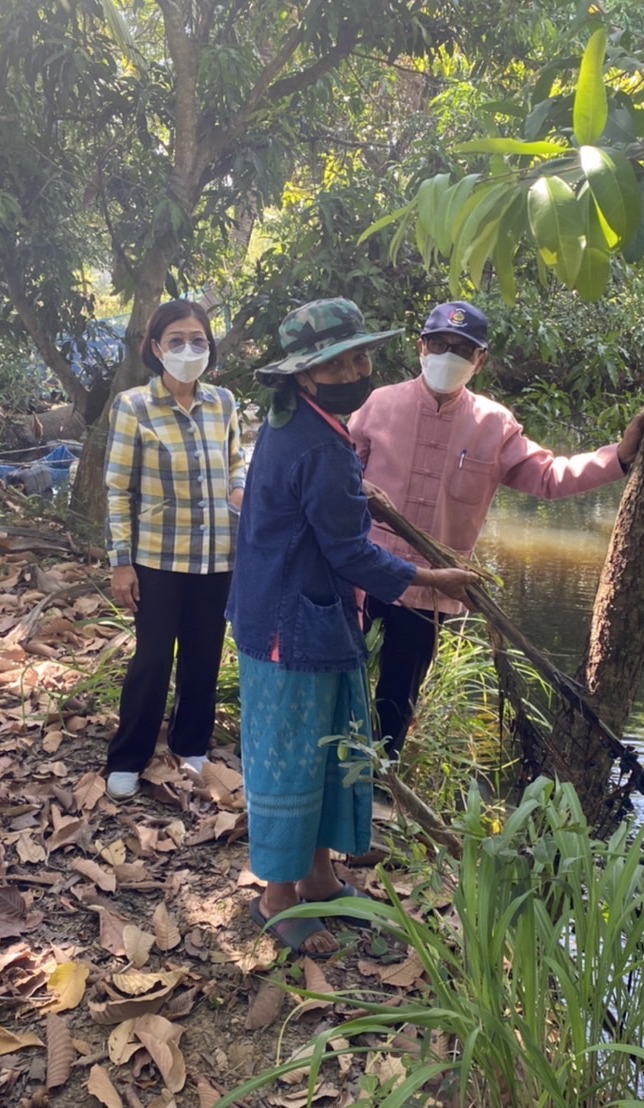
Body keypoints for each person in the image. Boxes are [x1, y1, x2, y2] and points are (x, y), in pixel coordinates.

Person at [227, 298, 473, 957]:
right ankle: (278, 898)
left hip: (293, 613)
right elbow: (350, 553)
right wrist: (433, 581)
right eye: (343, 361)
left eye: (364, 356)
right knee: (295, 756)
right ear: (307, 375)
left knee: (327, 745)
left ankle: (318, 876)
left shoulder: (299, 424)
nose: (360, 369)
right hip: (292, 625)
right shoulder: (318, 445)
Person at [349, 300, 644, 758]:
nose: (448, 356)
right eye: (440, 344)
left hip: (430, 591)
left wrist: (620, 457)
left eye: (462, 350)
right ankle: (334, 771)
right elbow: (339, 480)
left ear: (480, 361)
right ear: (421, 347)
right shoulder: (378, 405)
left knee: (397, 697)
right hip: (365, 577)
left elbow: (549, 476)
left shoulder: (493, 424)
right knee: (341, 676)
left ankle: (381, 782)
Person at [103, 300, 246, 800]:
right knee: (152, 658)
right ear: (156, 347)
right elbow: (119, 490)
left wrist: (239, 491)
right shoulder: (133, 406)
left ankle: (192, 748)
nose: (189, 349)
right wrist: (121, 563)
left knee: (204, 657)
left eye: (199, 340)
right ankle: (128, 757)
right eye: (178, 340)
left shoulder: (224, 403)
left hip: (216, 556)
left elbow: (236, 464)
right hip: (158, 558)